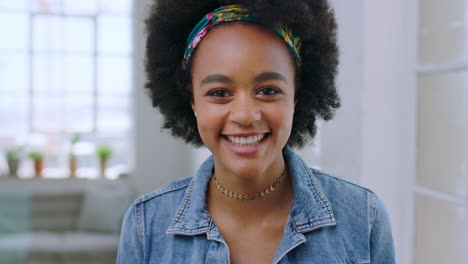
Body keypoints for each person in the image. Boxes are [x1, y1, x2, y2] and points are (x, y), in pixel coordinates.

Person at [117, 0, 396, 263]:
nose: (245, 115)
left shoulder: (363, 217)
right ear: (192, 102)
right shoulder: (146, 224)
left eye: (268, 90)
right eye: (219, 92)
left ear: (296, 97)